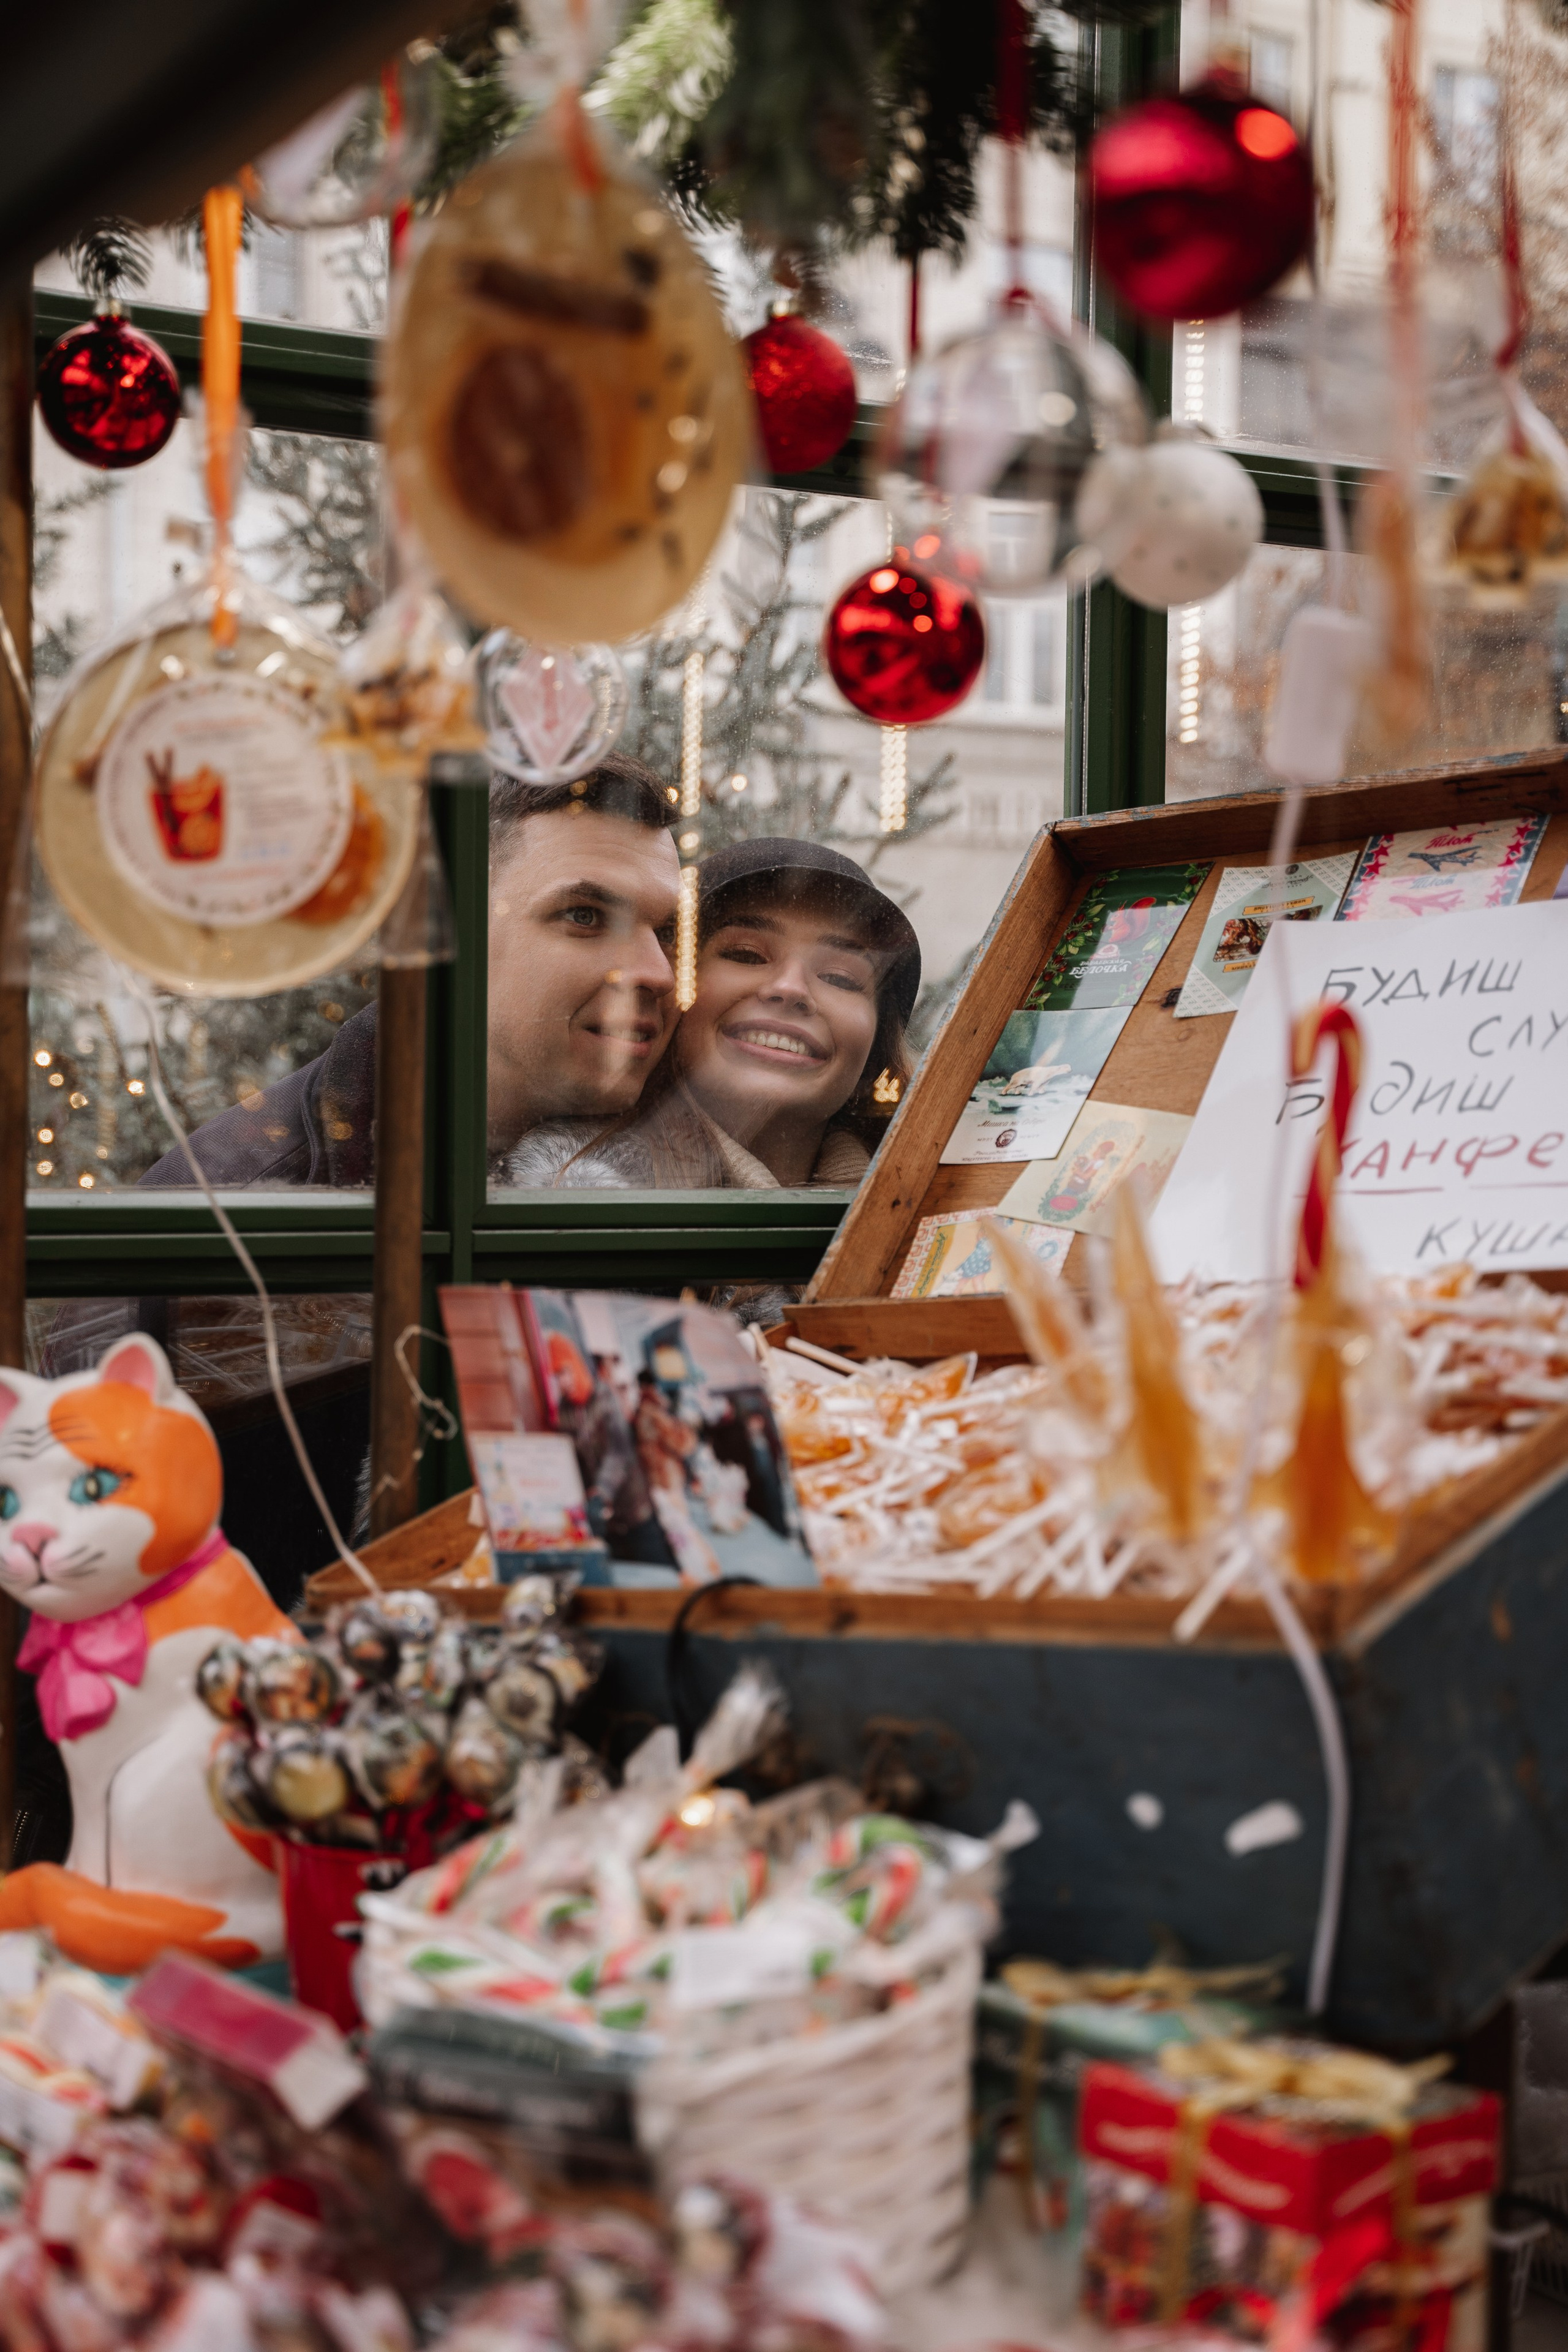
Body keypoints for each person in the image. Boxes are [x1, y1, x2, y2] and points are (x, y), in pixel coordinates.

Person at [136, 755, 682, 1186]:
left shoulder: (692, 1165)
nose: (659, 974)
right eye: (585, 916)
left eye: (666, 933)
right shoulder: (239, 1199)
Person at [503, 839, 920, 1191]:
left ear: (877, 1042)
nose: (791, 989)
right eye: (745, 955)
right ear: (673, 992)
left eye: (841, 978)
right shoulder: (561, 1197)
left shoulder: (947, 1204)